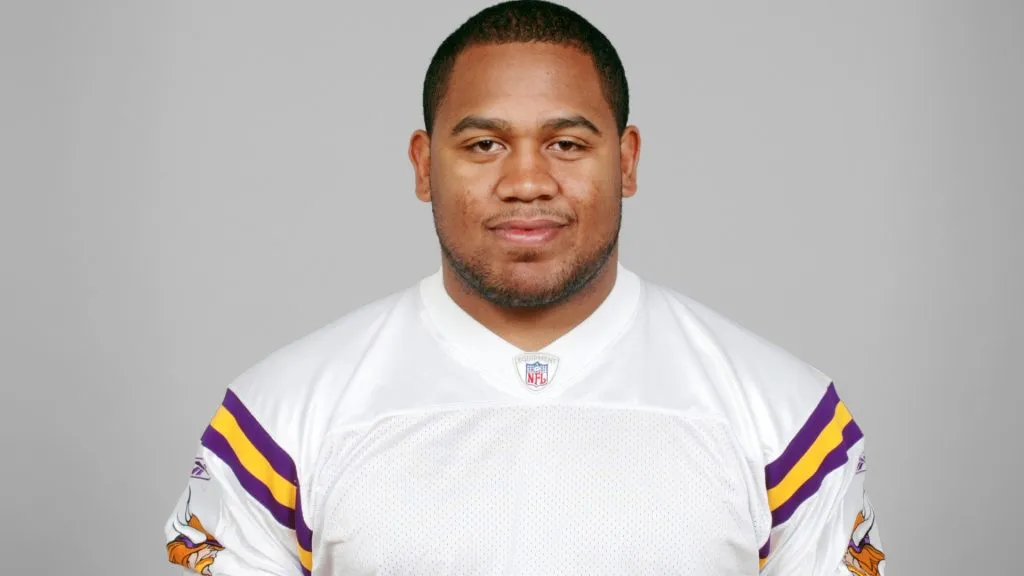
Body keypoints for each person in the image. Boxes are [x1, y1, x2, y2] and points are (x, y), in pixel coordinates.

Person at [162, 1, 887, 574]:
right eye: (484, 145)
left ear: (626, 161)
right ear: (423, 165)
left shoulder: (787, 416)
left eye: (567, 144)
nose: (528, 182)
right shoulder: (278, 418)